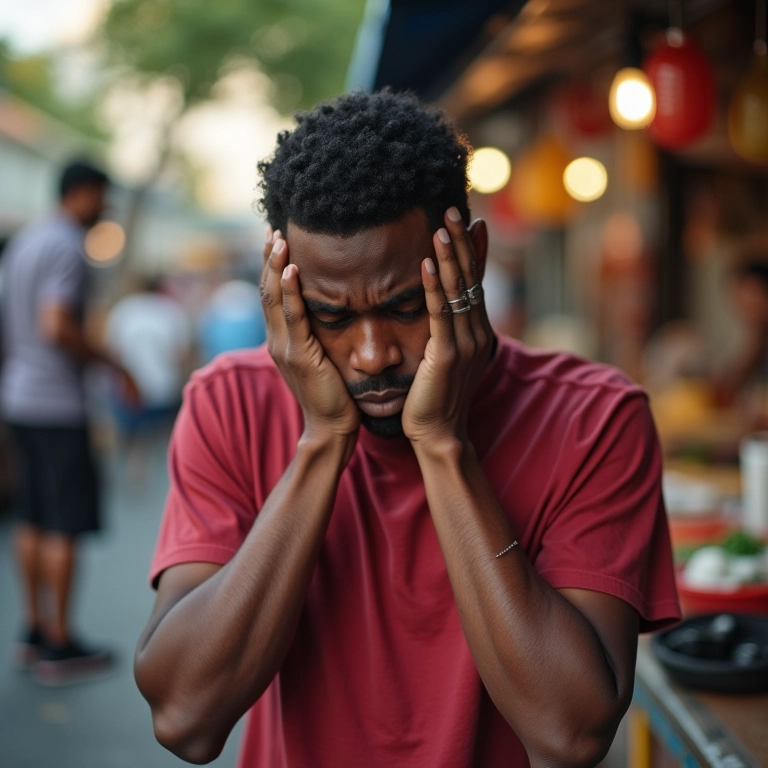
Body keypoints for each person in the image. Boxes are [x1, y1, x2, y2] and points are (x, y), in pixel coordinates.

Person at [135, 91, 680, 767]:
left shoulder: (594, 419)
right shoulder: (229, 405)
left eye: (404, 305)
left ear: (471, 261)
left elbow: (570, 733)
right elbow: (185, 718)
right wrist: (322, 443)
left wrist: (444, 445)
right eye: (331, 318)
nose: (374, 355)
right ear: (282, 291)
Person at [1, 159, 139, 685]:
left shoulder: (25, 244)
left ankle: (34, 630)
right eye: (101, 198)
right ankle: (60, 642)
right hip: (57, 405)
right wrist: (114, 364)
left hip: (19, 398)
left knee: (33, 517)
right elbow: (56, 325)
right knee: (63, 521)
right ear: (82, 192)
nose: (104, 209)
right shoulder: (64, 247)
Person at [105, 276, 191, 438]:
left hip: (131, 390)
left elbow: (114, 352)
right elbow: (181, 355)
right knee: (171, 439)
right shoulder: (171, 310)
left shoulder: (124, 309)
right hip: (165, 387)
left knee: (135, 442)